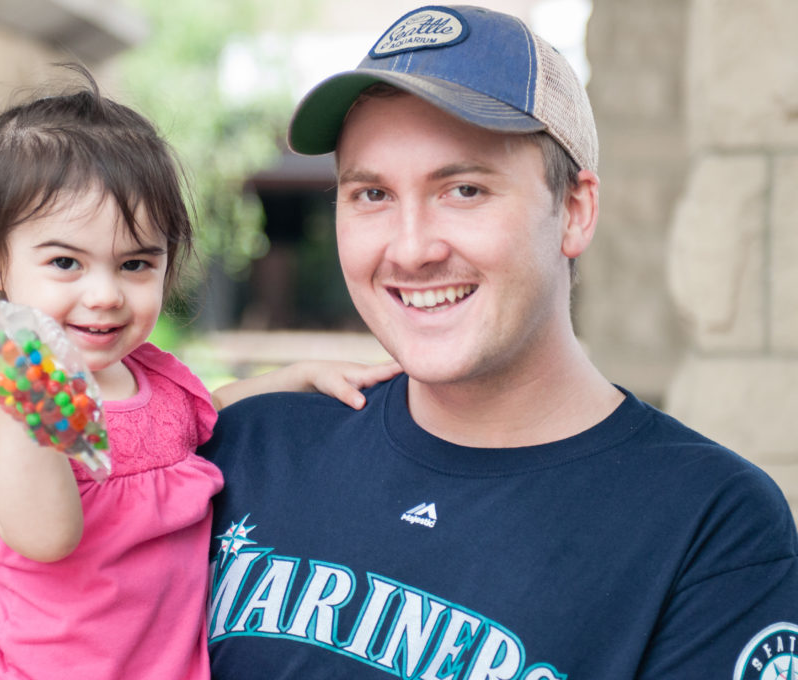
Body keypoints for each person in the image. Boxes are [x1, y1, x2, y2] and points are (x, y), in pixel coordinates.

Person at [202, 5, 798, 678]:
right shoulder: (249, 448)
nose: (412, 248)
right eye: (371, 194)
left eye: (463, 189)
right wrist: (211, 402)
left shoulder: (707, 523)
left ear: (575, 212)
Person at [0, 65, 397, 680]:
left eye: (136, 264)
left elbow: (200, 415)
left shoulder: (148, 375)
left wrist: (296, 375)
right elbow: (47, 531)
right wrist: (0, 380)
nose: (105, 294)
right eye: (66, 262)